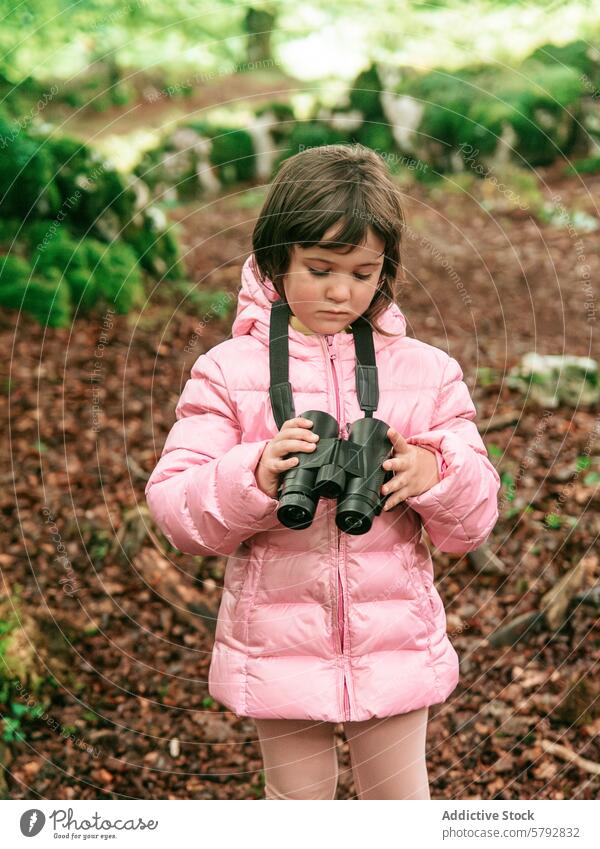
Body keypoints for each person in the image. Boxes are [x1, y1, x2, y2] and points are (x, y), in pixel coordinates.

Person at [145, 143, 501, 800]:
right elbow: (175, 507)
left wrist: (435, 472)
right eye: (320, 268)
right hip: (277, 649)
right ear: (276, 256)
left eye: (364, 272)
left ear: (386, 269)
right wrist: (253, 472)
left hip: (394, 644)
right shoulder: (230, 372)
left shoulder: (424, 373)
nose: (342, 290)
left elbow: (475, 521)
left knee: (399, 813)